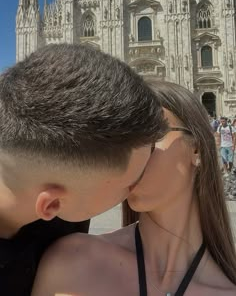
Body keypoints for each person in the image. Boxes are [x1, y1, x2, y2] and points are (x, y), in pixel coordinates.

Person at [32, 80, 236, 296]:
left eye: (149, 136)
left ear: (197, 149)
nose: (129, 157)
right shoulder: (73, 262)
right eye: (119, 142)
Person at [0, 44, 167, 296]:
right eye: (129, 183)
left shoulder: (64, 218)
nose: (138, 186)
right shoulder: (64, 217)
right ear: (52, 205)